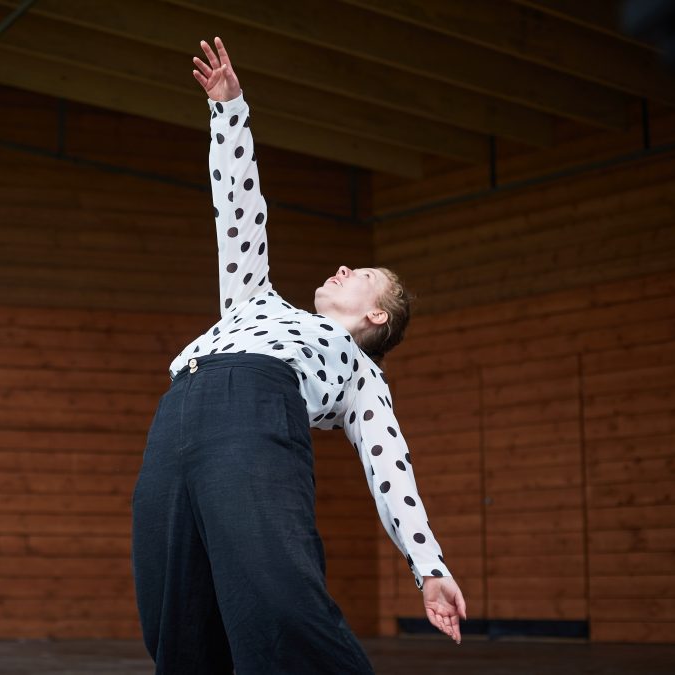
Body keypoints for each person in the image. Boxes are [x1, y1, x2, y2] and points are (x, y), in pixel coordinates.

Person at [130, 38, 468, 674]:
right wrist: (229, 111)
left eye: (363, 271)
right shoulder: (256, 300)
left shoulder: (361, 373)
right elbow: (238, 211)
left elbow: (391, 473)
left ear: (379, 316)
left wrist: (430, 569)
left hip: (252, 414)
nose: (343, 266)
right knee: (176, 627)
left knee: (279, 603)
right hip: (174, 415)